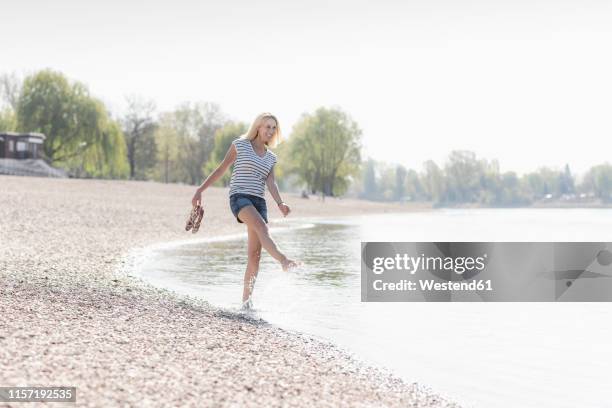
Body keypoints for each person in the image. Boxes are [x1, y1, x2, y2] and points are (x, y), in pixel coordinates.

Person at [191, 112, 298, 309]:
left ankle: (246, 303)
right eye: (267, 126)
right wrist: (200, 190)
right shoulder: (240, 145)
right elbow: (221, 169)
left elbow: (271, 182)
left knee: (255, 255)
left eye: (274, 128)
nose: (270, 131)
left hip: (259, 202)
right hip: (240, 198)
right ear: (258, 126)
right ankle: (283, 260)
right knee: (262, 229)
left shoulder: (271, 157)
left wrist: (280, 203)